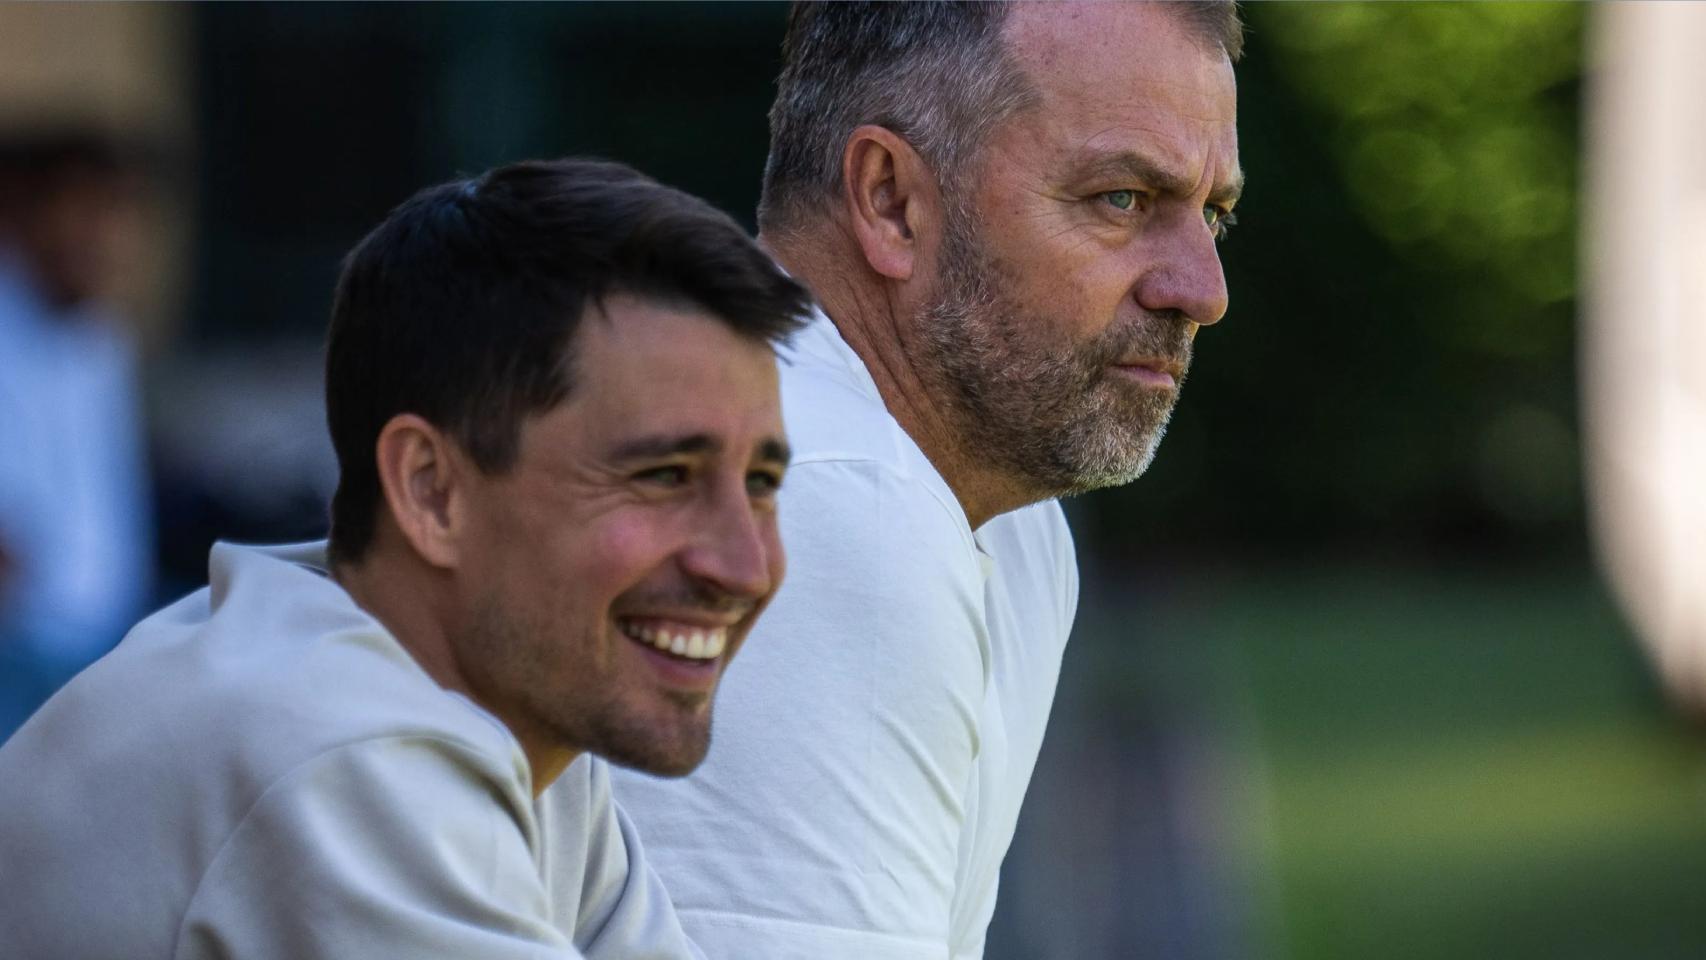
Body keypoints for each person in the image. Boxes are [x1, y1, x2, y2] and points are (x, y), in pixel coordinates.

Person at [0, 157, 809, 959]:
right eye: (663, 476)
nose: (746, 566)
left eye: (762, 483)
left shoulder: (525, 725)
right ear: (431, 492)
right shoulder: (335, 755)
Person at [597, 3, 1245, 957]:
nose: (1203, 289)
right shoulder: (806, 505)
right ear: (892, 200)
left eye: (1215, 213)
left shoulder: (1008, 522)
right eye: (1122, 199)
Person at [0, 129, 154, 741]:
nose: (100, 236)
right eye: (81, 208)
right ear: (22, 212)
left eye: (115, 210)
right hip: (20, 659)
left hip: (105, 643)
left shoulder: (102, 338)